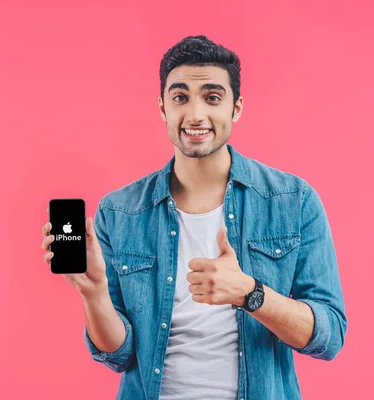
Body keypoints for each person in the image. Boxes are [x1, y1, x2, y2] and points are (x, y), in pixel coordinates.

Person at [41, 35, 347, 400]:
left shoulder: (293, 201)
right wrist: (94, 294)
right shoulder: (120, 212)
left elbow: (329, 335)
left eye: (213, 97)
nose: (196, 114)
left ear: (236, 108)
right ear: (162, 108)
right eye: (180, 97)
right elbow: (119, 356)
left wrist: (250, 293)